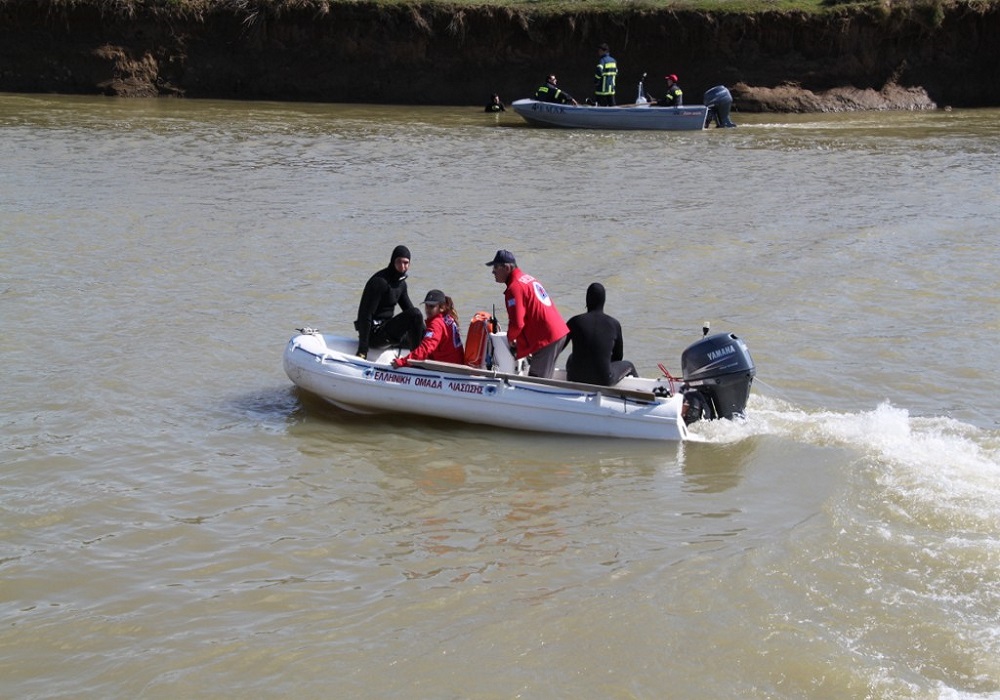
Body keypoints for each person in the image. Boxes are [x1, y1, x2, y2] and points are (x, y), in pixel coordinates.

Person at [486, 249, 569, 379]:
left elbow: (517, 323)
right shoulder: (528, 279)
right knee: (544, 378)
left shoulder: (514, 288)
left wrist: (510, 338)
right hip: (557, 333)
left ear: (507, 267)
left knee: (536, 382)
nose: (493, 271)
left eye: (496, 267)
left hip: (547, 339)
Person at [354, 245, 425, 359]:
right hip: (375, 335)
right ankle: (416, 360)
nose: (402, 267)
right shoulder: (379, 282)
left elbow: (410, 311)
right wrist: (363, 349)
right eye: (399, 262)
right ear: (392, 261)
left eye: (406, 263)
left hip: (388, 331)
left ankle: (433, 357)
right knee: (416, 313)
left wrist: (427, 335)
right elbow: (365, 315)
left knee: (420, 327)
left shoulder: (401, 284)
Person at [564, 282, 638, 386]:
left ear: (586, 300)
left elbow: (558, 347)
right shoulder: (614, 324)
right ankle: (637, 397)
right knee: (629, 365)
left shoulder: (574, 321)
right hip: (604, 380)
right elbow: (618, 357)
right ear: (603, 301)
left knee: (571, 357)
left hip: (574, 377)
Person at [392, 289, 465, 368]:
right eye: (426, 305)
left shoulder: (436, 324)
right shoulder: (448, 317)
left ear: (442, 307)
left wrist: (402, 362)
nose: (428, 309)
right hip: (457, 363)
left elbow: (426, 348)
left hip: (448, 369)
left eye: (432, 306)